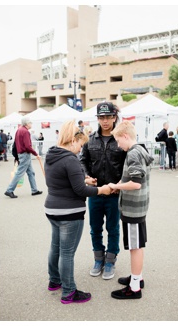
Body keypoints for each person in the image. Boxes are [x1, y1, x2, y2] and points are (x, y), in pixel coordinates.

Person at [44, 120, 112, 304]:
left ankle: (54, 281)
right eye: (80, 145)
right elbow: (80, 191)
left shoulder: (52, 155)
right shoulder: (70, 159)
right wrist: (101, 190)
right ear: (73, 140)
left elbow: (62, 180)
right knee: (67, 253)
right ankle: (69, 292)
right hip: (69, 212)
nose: (80, 150)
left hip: (52, 209)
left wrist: (83, 180)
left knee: (55, 247)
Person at [80, 101, 126, 280]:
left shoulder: (121, 138)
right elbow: (82, 160)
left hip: (115, 193)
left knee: (113, 228)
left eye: (108, 117)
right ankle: (98, 259)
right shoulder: (90, 139)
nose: (105, 121)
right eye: (101, 117)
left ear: (114, 117)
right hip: (96, 192)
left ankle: (110, 261)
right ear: (98, 118)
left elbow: (127, 164)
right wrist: (87, 176)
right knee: (95, 228)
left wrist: (120, 184)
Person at [108, 121, 154, 300]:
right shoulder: (140, 149)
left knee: (135, 246)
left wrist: (116, 185)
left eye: (119, 141)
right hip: (139, 205)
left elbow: (135, 183)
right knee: (137, 244)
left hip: (132, 208)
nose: (119, 146)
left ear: (126, 136)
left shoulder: (133, 153)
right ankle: (137, 277)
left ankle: (134, 287)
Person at [4, 116, 43, 199]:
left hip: (21, 153)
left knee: (31, 172)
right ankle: (9, 190)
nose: (31, 124)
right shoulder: (25, 132)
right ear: (27, 123)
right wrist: (36, 154)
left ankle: (34, 190)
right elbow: (28, 146)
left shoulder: (19, 130)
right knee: (20, 173)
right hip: (25, 154)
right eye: (30, 122)